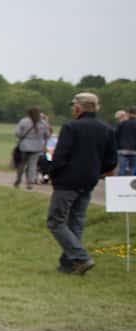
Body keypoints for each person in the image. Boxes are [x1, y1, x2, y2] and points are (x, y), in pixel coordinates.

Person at [46, 92, 118, 274]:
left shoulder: (71, 127)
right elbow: (111, 160)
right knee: (76, 222)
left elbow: (61, 156)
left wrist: (50, 170)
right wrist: (97, 172)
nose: (72, 109)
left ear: (78, 108)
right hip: (89, 181)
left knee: (55, 221)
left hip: (67, 181)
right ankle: (69, 263)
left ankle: (81, 257)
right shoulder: (107, 129)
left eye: (73, 106)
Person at [14, 108, 51, 187]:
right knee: (32, 165)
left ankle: (19, 179)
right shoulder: (43, 123)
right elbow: (47, 135)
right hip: (37, 147)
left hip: (24, 146)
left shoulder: (24, 121)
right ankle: (30, 182)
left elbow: (17, 133)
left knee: (22, 164)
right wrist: (44, 144)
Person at [114, 108, 136, 177]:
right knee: (133, 169)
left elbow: (116, 135)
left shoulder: (122, 123)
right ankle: (132, 182)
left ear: (129, 113)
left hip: (122, 150)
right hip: (134, 150)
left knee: (121, 169)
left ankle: (119, 182)